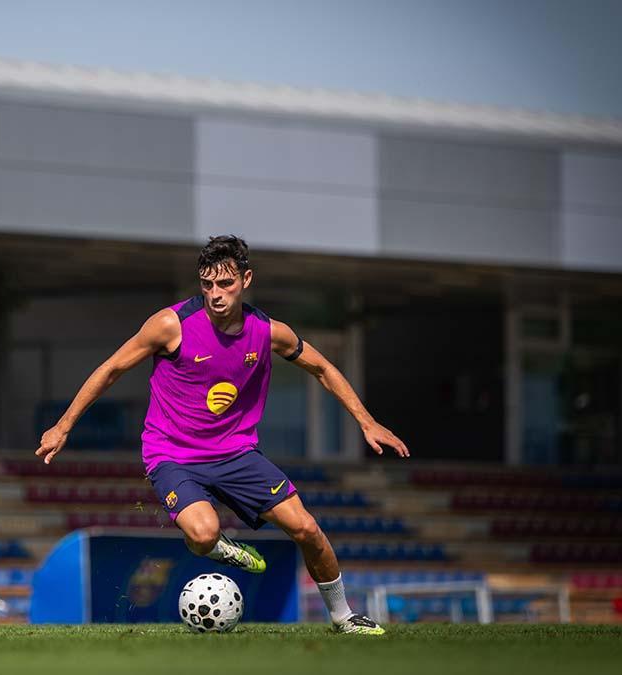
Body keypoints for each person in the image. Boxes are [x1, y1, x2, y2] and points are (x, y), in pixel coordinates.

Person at [36, 235, 408, 635]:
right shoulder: (170, 325)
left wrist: (366, 421)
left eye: (225, 283)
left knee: (306, 529)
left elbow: (323, 368)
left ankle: (343, 616)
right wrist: (64, 424)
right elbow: (111, 369)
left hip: (236, 455)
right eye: (207, 284)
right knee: (202, 532)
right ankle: (219, 548)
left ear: (246, 279)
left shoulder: (267, 332)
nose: (216, 294)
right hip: (172, 454)